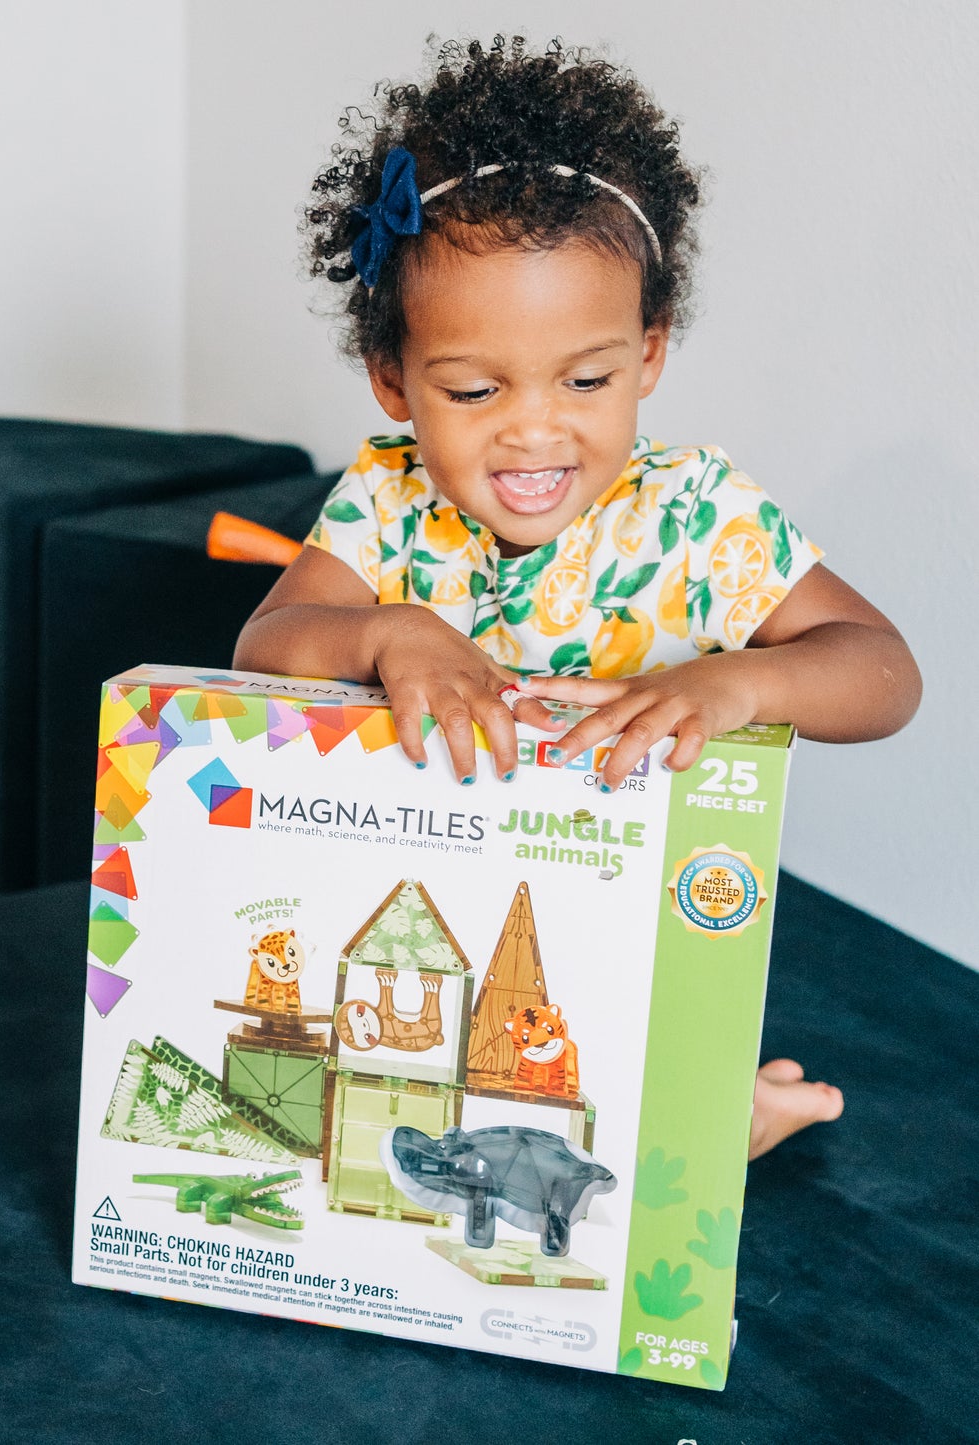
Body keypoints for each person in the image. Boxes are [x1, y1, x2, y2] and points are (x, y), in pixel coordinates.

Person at [233, 36, 922, 1159]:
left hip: (625, 906)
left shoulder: (695, 514)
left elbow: (882, 672)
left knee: (625, 1040)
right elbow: (264, 646)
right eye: (473, 389)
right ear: (394, 379)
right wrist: (388, 630)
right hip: (431, 884)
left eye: (586, 379)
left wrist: (739, 682)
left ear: (648, 353)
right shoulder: (388, 500)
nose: (534, 429)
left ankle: (712, 1110)